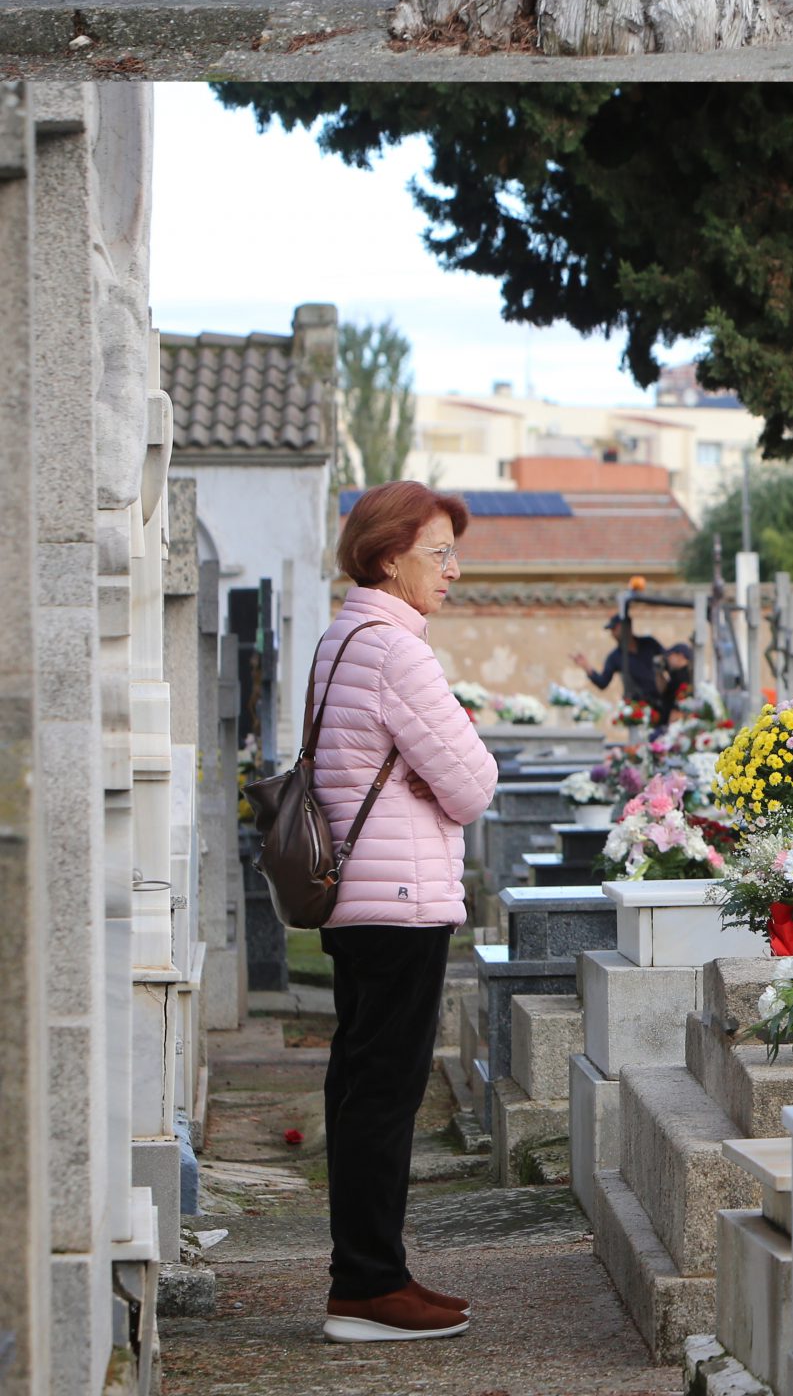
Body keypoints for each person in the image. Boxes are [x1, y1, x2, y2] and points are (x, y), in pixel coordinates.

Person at [312, 479, 498, 1343]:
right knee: (385, 1091)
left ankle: (368, 1273)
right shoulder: (398, 651)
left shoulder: (342, 639)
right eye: (439, 552)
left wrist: (430, 777)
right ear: (390, 557)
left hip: (359, 899)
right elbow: (471, 784)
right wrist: (434, 780)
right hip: (399, 899)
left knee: (359, 1085)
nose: (453, 570)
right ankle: (370, 1288)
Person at [584, 609, 678, 723]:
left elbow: (669, 663)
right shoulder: (615, 657)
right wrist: (587, 667)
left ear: (626, 627)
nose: (612, 634)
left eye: (615, 629)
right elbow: (603, 682)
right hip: (638, 709)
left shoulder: (649, 643)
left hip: (662, 703)